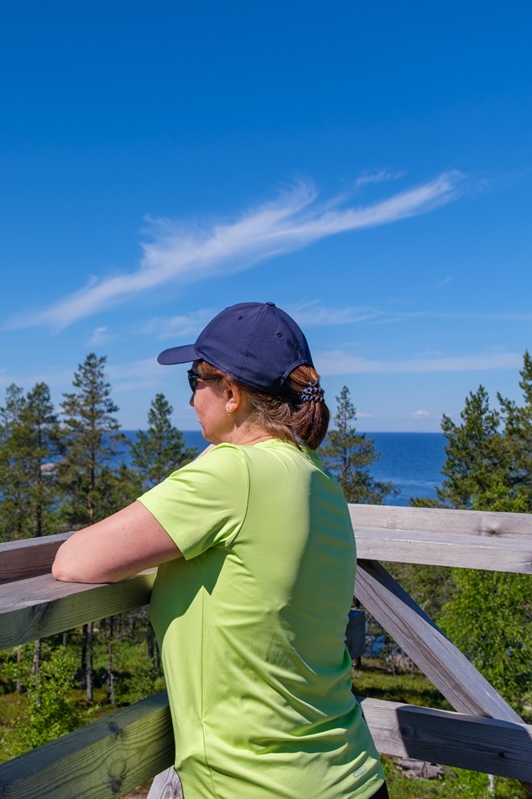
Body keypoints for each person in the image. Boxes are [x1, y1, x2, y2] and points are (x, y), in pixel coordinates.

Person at [52, 302, 387, 799]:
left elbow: (73, 561)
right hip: (353, 777)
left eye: (194, 380)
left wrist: (209, 460)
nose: (189, 399)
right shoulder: (316, 478)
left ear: (230, 393)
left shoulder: (234, 475)